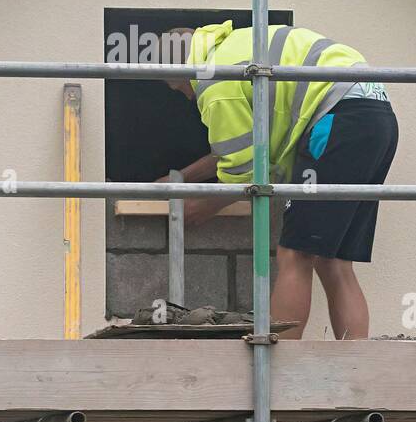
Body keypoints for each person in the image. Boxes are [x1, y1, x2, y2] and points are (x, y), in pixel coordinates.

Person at [158, 22, 398, 340]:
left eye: (176, 87)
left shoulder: (213, 82)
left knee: (295, 255)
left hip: (336, 120)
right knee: (334, 260)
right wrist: (179, 179)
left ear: (178, 69)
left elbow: (243, 171)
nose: (185, 95)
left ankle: (278, 373)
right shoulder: (231, 51)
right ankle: (355, 368)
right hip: (372, 116)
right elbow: (243, 149)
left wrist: (202, 206)